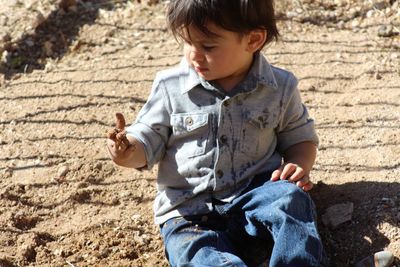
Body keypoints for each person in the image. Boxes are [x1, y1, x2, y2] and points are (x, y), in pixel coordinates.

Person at [107, 0, 327, 266]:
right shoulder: (170, 86)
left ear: (253, 39)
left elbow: (299, 136)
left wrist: (298, 164)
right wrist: (127, 150)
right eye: (187, 42)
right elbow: (148, 136)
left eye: (208, 46)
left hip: (255, 193)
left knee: (292, 199)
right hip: (188, 209)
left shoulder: (280, 87)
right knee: (195, 250)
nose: (193, 55)